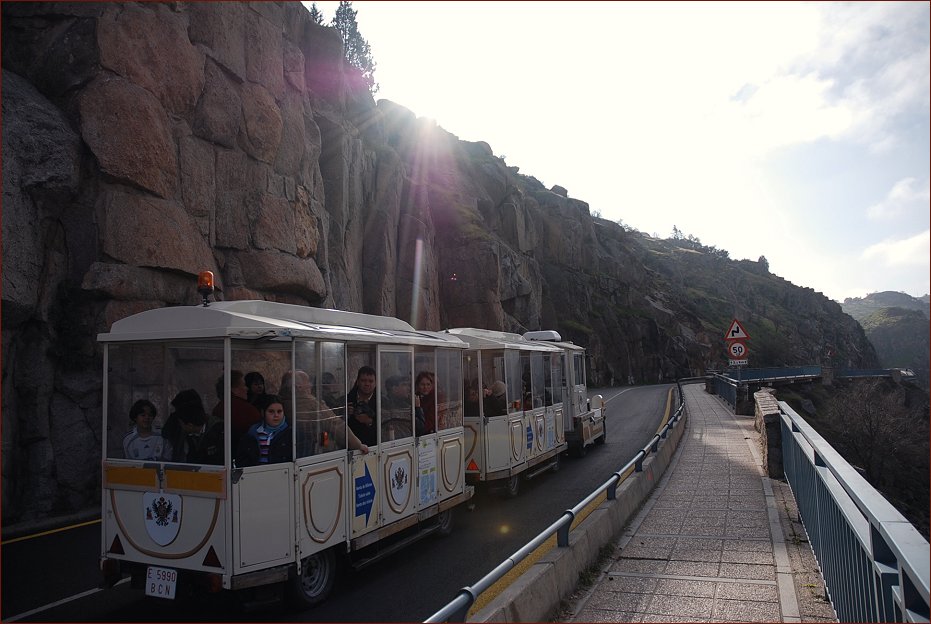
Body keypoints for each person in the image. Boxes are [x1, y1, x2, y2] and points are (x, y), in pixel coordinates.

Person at [290, 370, 369, 456]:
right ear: (299, 387)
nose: (310, 385)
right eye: (307, 382)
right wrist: (357, 445)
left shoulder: (286, 400)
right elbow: (334, 423)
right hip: (311, 449)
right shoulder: (311, 402)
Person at [162, 389, 223, 464]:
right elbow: (166, 434)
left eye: (178, 410)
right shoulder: (180, 431)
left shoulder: (219, 431)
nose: (176, 414)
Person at [235, 394, 292, 467]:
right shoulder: (251, 434)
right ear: (263, 413)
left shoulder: (290, 433)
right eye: (271, 411)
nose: (276, 415)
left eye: (279, 411)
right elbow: (242, 461)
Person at [212, 370, 261, 452]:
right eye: (244, 385)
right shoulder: (247, 410)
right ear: (234, 389)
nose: (247, 388)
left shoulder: (219, 408)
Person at [382, 375, 425, 440]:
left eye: (408, 385)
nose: (409, 388)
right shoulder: (386, 405)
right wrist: (417, 407)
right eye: (404, 385)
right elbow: (420, 429)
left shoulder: (406, 404)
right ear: (394, 388)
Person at [347, 366, 378, 446]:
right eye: (363, 380)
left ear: (375, 383)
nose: (367, 384)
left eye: (371, 381)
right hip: (351, 448)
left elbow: (387, 428)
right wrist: (345, 414)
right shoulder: (346, 400)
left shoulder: (382, 401)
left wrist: (370, 422)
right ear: (357, 381)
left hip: (374, 448)